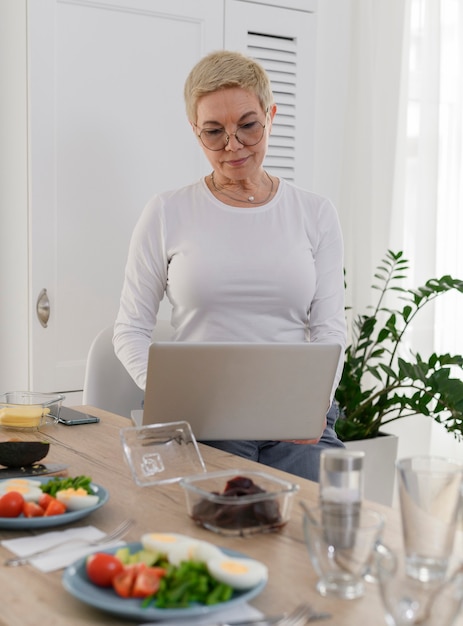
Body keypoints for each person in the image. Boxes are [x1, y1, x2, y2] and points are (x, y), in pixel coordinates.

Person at [113, 50, 346, 481]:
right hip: (203, 418)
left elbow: (331, 328)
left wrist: (316, 405)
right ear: (195, 132)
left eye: (248, 126)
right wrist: (174, 402)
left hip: (292, 419)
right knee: (219, 519)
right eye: (214, 131)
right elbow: (129, 329)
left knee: (311, 519)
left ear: (270, 115)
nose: (232, 145)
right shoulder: (167, 211)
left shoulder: (315, 213)